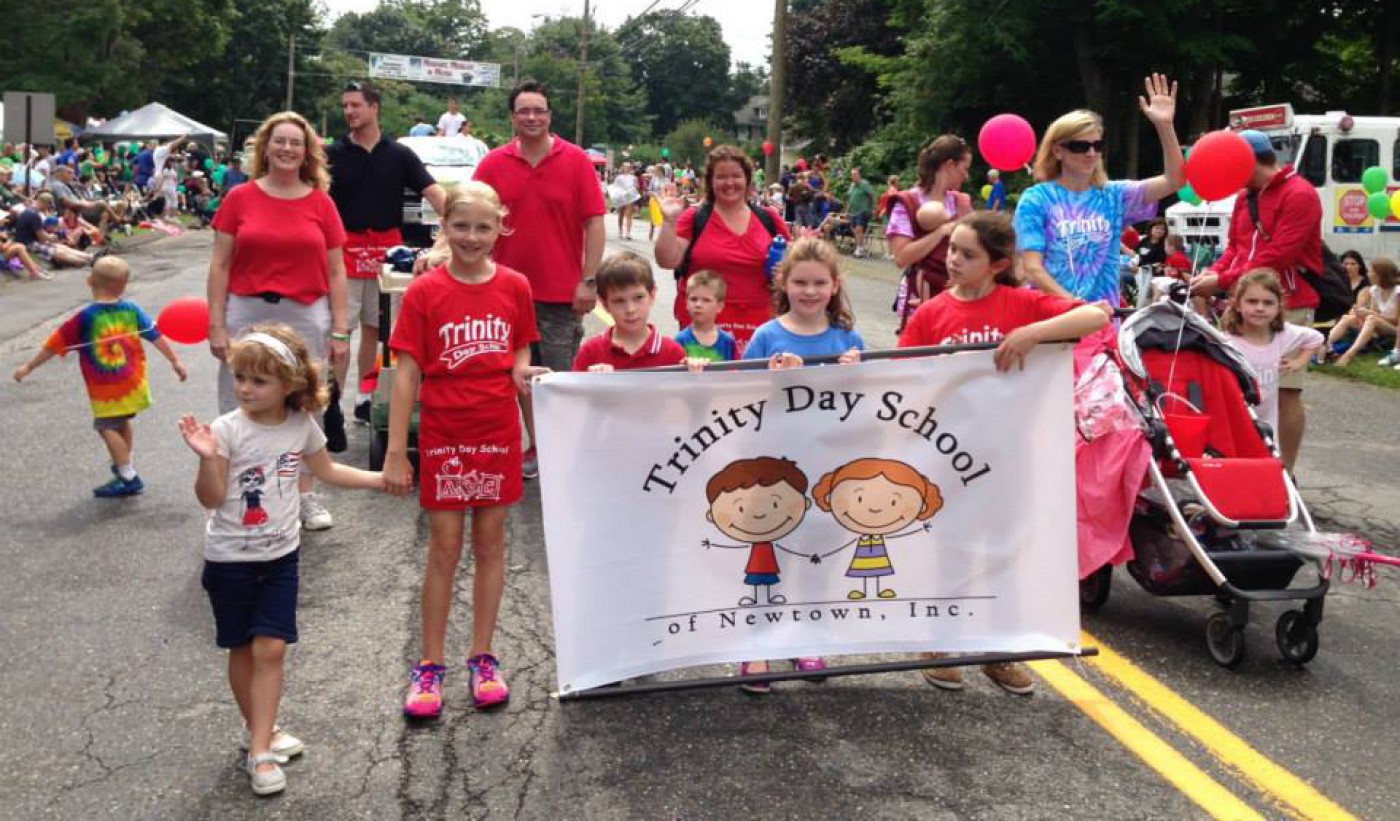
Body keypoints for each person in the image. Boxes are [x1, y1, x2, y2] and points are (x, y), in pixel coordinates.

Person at [898, 212, 1109, 693]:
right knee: (950, 548)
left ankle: (1000, 650)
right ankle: (939, 643)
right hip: (948, 453)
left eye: (967, 254)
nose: (953, 259)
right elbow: (904, 374)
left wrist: (1033, 333)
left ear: (997, 264)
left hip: (1010, 453)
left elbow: (1097, 315)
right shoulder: (931, 313)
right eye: (952, 248)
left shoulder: (1021, 303)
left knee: (1005, 551)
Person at [177, 325, 384, 796]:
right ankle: (261, 733)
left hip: (281, 557)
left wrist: (380, 480)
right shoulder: (227, 431)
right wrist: (207, 459)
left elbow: (327, 470)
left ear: (290, 384)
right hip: (229, 560)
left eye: (259, 381)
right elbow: (210, 500)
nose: (246, 389)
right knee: (243, 648)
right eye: (241, 378)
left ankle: (260, 751)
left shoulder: (300, 426)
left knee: (272, 648)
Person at [383, 182, 547, 719]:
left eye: (483, 227)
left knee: (493, 544)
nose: (472, 238)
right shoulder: (427, 291)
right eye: (461, 226)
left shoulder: (517, 285)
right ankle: (429, 664)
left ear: (501, 227)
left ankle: (483, 656)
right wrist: (396, 450)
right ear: (444, 228)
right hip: (445, 431)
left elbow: (521, 354)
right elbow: (406, 371)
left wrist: (535, 435)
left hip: (496, 428)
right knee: (444, 549)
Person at [208, 111, 351, 531]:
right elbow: (219, 264)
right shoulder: (240, 198)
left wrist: (340, 328)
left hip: (304, 311)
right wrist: (217, 325)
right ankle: (232, 494)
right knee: (239, 399)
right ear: (265, 148)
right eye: (280, 141)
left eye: (296, 143)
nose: (287, 149)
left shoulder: (320, 202)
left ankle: (304, 494)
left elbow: (337, 271)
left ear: (307, 153)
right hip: (247, 309)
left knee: (305, 400)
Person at [474, 81, 607, 479]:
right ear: (512, 117)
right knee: (517, 377)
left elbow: (595, 222)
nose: (532, 117)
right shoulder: (493, 164)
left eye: (539, 110)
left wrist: (589, 280)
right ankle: (538, 446)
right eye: (524, 111)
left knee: (559, 378)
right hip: (503, 292)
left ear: (550, 116)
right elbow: (466, 215)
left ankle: (564, 450)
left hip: (560, 294)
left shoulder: (576, 160)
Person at [1188, 128, 1322, 470]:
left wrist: (1224, 280)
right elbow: (1234, 246)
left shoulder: (1299, 194)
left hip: (1287, 302)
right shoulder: (1244, 196)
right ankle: (1248, 464)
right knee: (1238, 387)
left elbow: (1279, 254)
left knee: (1286, 390)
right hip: (1244, 300)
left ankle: (1285, 471)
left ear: (1247, 161)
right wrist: (1211, 274)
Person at [327, 80, 447, 433]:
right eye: (345, 105)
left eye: (356, 105)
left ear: (374, 107)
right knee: (338, 332)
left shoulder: (400, 155)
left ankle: (367, 396)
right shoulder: (332, 155)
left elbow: (438, 195)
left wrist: (452, 231)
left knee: (378, 332)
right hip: (343, 255)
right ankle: (330, 401)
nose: (349, 111)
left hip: (387, 257)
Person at [13, 256, 187, 496]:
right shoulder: (132, 310)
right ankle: (125, 463)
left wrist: (28, 366)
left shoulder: (85, 318)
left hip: (107, 389)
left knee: (106, 427)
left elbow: (53, 346)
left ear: (89, 281)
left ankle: (128, 476)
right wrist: (175, 361)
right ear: (124, 286)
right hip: (133, 382)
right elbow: (156, 336)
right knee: (122, 421)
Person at [1015, 74, 1185, 319]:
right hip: (1053, 323)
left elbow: (1175, 180)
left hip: (1103, 323)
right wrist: (1077, 308)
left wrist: (1164, 126)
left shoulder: (1113, 195)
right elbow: (1031, 268)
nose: (1091, 153)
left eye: (1097, 145)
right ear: (1058, 150)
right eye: (1080, 146)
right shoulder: (1036, 199)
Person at [655, 144, 791, 353]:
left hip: (760, 327)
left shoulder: (769, 219)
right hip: (704, 326)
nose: (729, 183)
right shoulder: (695, 218)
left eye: (736, 176)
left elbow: (794, 267)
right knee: (706, 384)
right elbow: (667, 261)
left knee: (755, 384)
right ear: (710, 182)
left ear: (747, 180)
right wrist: (669, 220)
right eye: (721, 177)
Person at [1220, 270, 1323, 438]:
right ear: (1238, 304)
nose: (1260, 308)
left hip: (1268, 426)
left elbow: (1316, 338)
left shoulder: (1283, 335)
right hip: (1235, 422)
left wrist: (1299, 362)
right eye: (1252, 302)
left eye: (1268, 303)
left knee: (1268, 458)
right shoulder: (1227, 342)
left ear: (1278, 307)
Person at [887, 135, 974, 330]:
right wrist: (941, 232)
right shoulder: (908, 202)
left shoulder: (961, 203)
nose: (966, 176)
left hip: (957, 295)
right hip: (922, 294)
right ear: (949, 165)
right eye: (964, 169)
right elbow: (902, 257)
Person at [573, 252, 687, 372]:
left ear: (652, 295)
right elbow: (573, 389)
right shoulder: (590, 352)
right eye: (619, 301)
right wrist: (593, 381)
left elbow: (687, 389)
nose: (630, 309)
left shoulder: (672, 353)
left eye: (638, 297)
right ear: (605, 304)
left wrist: (697, 371)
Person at [1326, 258, 1398, 367]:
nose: (1368, 274)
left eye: (1372, 272)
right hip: (1377, 324)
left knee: (1371, 319)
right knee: (1347, 318)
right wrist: (1361, 315)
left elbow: (1396, 320)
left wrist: (1370, 314)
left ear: (1381, 275)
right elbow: (1374, 312)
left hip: (1394, 329)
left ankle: (1348, 355)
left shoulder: (1397, 292)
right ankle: (1323, 346)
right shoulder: (1374, 290)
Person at [675, 270, 738, 362]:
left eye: (706, 300)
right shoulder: (680, 340)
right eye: (693, 299)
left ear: (719, 306)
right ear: (686, 303)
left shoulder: (728, 342)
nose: (698, 304)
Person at [846, 167, 877, 257]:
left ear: (859, 175)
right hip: (854, 211)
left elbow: (872, 195)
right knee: (855, 230)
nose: (853, 176)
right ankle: (860, 247)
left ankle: (859, 249)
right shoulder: (852, 185)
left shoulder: (864, 184)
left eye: (855, 174)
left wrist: (874, 208)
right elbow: (850, 199)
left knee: (859, 229)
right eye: (852, 175)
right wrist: (847, 211)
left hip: (864, 210)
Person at [610, 161, 640, 240]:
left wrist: (635, 196)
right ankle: (620, 230)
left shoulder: (633, 177)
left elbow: (637, 187)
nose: (627, 168)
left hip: (629, 196)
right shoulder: (619, 177)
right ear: (623, 168)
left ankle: (628, 233)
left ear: (630, 168)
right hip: (621, 196)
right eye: (625, 167)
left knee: (629, 215)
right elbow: (615, 188)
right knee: (621, 214)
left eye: (629, 167)